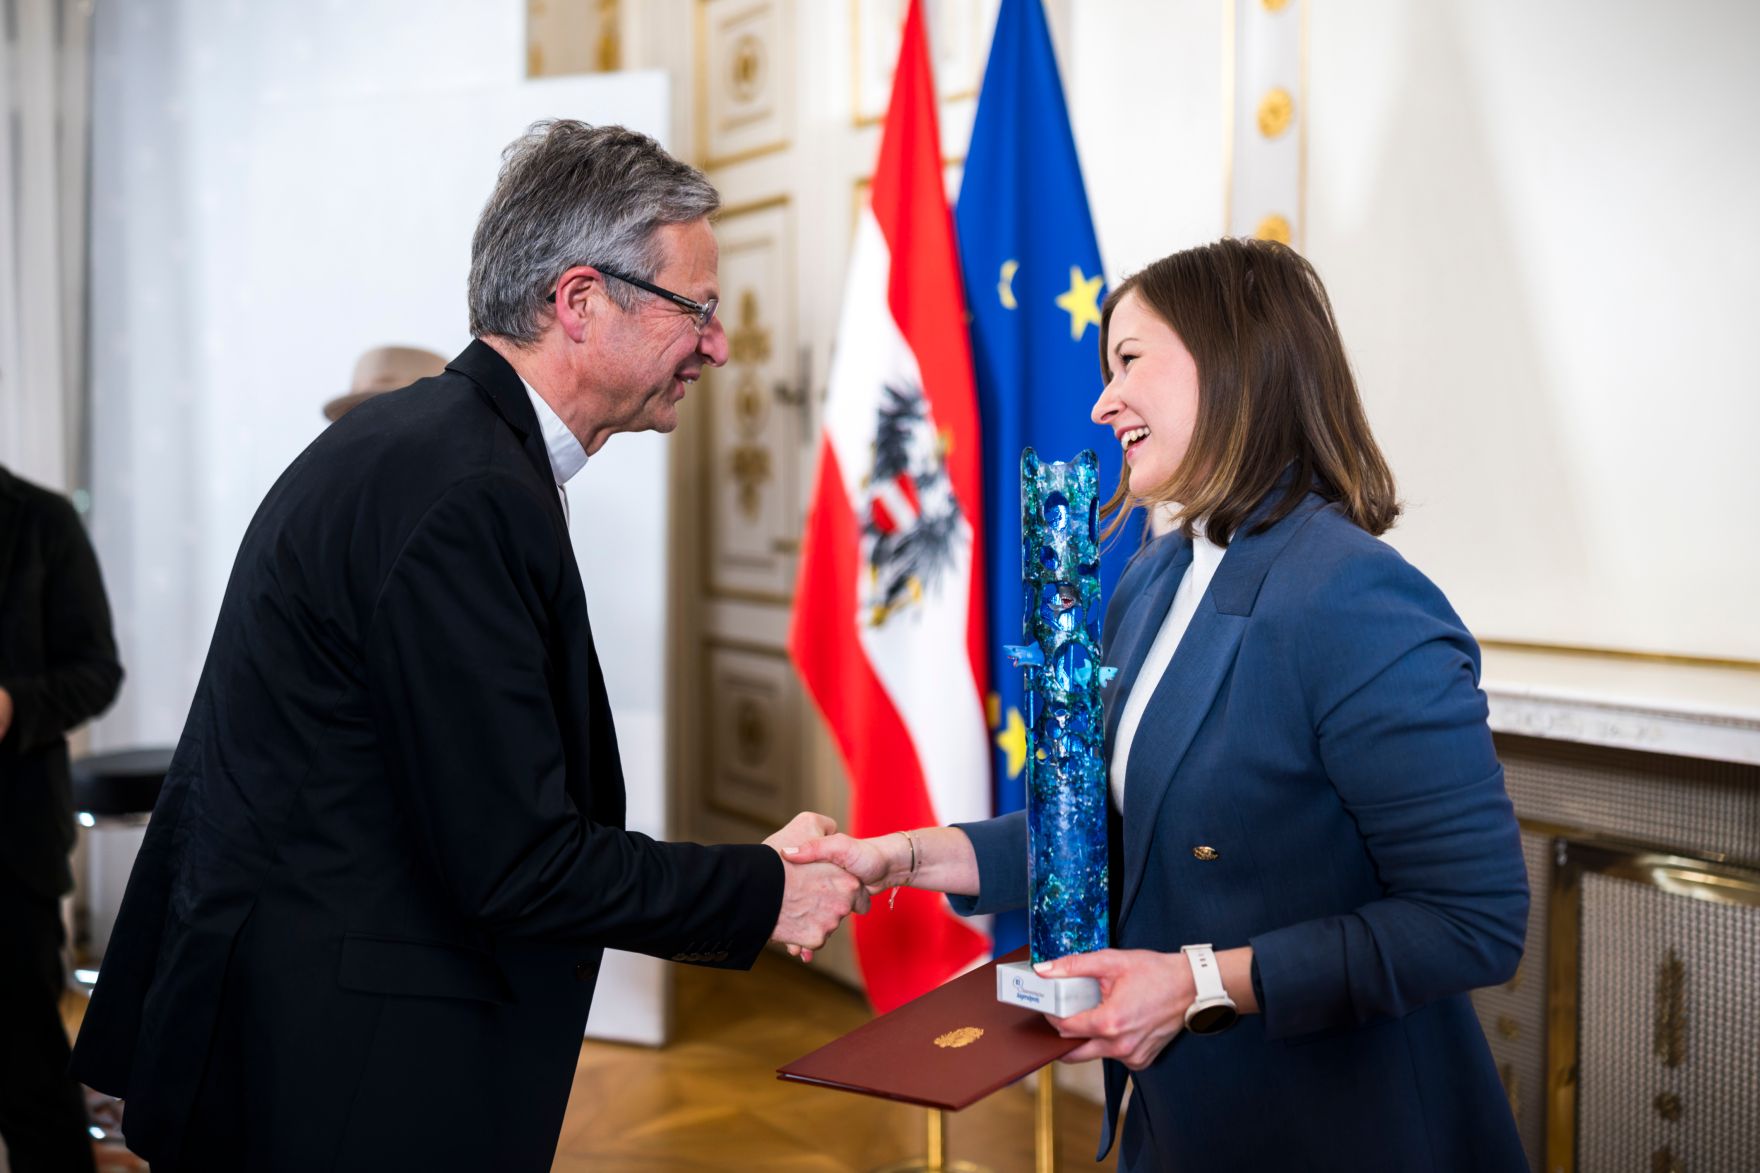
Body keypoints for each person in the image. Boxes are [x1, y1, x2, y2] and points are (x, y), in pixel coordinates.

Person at [70, 121, 866, 1173]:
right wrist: (764, 889)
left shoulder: (428, 447)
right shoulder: (464, 490)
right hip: (340, 1074)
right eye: (697, 310)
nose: (716, 346)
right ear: (579, 301)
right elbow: (516, 863)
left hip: (306, 1032)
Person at [789, 238, 1531, 1171]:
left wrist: (1193, 983)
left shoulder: (1357, 599)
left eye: (1128, 361)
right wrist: (896, 856)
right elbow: (1114, 835)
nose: (1103, 403)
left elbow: (1474, 920)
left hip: (1344, 1130)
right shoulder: (1154, 575)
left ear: (1233, 363)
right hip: (1183, 1123)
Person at [0, 464, 123, 1173]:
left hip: (8, 847)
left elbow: (97, 669)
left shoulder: (41, 521)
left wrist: (13, 707)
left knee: (32, 1078)